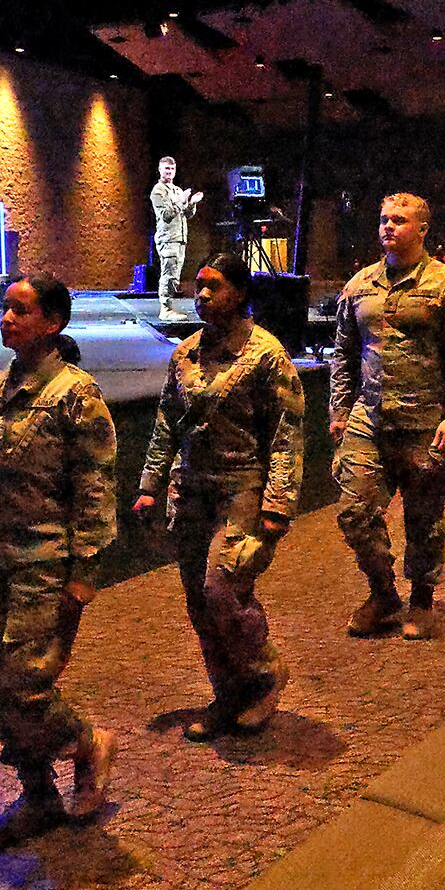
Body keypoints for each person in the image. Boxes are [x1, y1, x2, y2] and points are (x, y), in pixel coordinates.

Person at [0, 273, 118, 849]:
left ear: (53, 323)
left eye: (21, 310)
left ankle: (89, 743)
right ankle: (37, 792)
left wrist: (86, 571)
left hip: (45, 561)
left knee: (27, 683)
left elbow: (95, 487)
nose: (7, 318)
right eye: (5, 309)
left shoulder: (75, 395)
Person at [135, 253, 305, 740]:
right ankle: (226, 692)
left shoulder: (266, 355)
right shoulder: (185, 353)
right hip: (191, 491)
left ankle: (264, 673)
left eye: (215, 286)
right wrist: (150, 486)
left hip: (241, 490)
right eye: (199, 285)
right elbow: (166, 423)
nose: (203, 294)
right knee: (197, 601)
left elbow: (287, 436)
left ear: (241, 293)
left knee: (223, 592)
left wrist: (276, 510)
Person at [331, 192, 445, 639]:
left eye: (398, 220)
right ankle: (382, 594)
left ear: (422, 229)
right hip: (370, 418)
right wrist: (340, 411)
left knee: (423, 518)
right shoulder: (359, 286)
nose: (387, 227)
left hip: (425, 423)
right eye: (383, 219)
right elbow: (343, 352)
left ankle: (421, 599)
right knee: (355, 510)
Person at [151, 156, 203, 321]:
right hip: (167, 239)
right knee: (169, 274)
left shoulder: (178, 190)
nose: (169, 172)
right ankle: (165, 309)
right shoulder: (158, 191)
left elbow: (187, 215)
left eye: (172, 169)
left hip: (180, 238)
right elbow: (166, 215)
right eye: (166, 169)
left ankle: (169, 306)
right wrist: (180, 201)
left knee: (175, 275)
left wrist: (192, 203)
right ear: (160, 170)